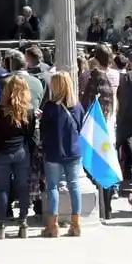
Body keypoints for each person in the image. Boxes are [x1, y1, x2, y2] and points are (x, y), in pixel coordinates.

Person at [0, 74, 36, 239]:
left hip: (2, 152)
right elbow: (30, 134)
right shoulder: (29, 111)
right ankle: (23, 221)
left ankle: (1, 225)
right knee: (22, 187)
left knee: (1, 189)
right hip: (21, 151)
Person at [41, 71, 86, 236]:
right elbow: (80, 127)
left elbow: (44, 130)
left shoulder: (50, 107)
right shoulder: (78, 106)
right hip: (73, 150)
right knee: (74, 185)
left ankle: (53, 225)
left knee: (52, 186)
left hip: (54, 151)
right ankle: (76, 223)